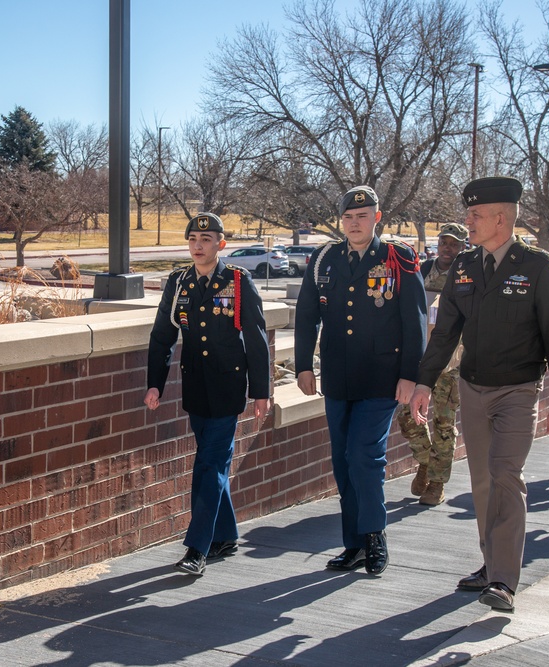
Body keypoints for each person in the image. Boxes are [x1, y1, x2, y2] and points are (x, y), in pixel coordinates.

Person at [409, 176, 549, 612]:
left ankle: (503, 579)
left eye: (475, 215)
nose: (467, 221)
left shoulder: (540, 268)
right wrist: (424, 381)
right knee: (482, 481)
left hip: (518, 389)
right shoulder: (464, 266)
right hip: (472, 387)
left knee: (505, 475)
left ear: (500, 218)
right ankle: (490, 564)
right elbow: (445, 333)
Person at [294, 185, 427, 576]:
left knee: (364, 457)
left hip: (382, 379)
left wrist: (410, 375)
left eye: (363, 216)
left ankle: (374, 536)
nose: (355, 223)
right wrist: (303, 365)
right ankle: (353, 544)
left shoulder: (398, 258)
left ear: (377, 217)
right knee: (342, 461)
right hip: (338, 376)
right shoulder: (324, 259)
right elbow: (306, 315)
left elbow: (414, 321)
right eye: (348, 218)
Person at [145, 212, 270, 577]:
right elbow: (161, 337)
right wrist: (155, 383)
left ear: (221, 244)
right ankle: (226, 535)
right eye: (193, 240)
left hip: (228, 386)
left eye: (207, 240)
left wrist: (261, 391)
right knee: (212, 462)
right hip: (196, 385)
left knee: (209, 465)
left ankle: (197, 547)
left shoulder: (237, 281)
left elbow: (257, 340)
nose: (198, 246)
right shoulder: (179, 282)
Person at [395, 222, 469, 506]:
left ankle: (437, 483)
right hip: (419, 359)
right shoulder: (423, 271)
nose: (449, 248)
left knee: (443, 424)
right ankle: (426, 461)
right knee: (407, 417)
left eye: (455, 244)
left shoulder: (467, 275)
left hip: (452, 363)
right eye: (445, 242)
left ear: (463, 246)